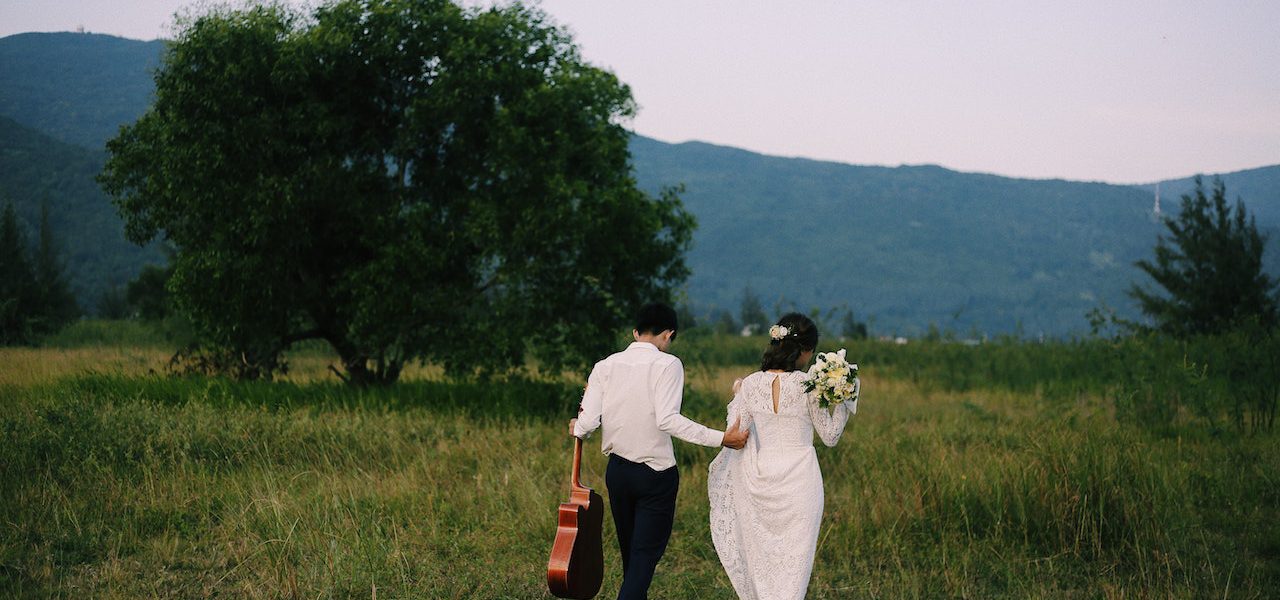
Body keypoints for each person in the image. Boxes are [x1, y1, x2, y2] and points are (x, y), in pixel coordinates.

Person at [570, 302, 750, 600]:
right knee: (643, 557)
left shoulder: (604, 365)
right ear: (668, 334)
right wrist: (722, 438)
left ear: (635, 332)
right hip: (655, 476)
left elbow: (587, 424)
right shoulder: (668, 364)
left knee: (631, 554)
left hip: (617, 472)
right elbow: (668, 420)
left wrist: (576, 427)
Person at [707, 313, 856, 600]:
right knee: (794, 573)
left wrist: (739, 393)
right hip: (800, 484)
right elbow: (830, 436)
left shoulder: (750, 384)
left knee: (763, 565)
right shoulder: (809, 386)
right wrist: (845, 402)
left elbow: (735, 432)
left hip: (759, 483)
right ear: (805, 351)